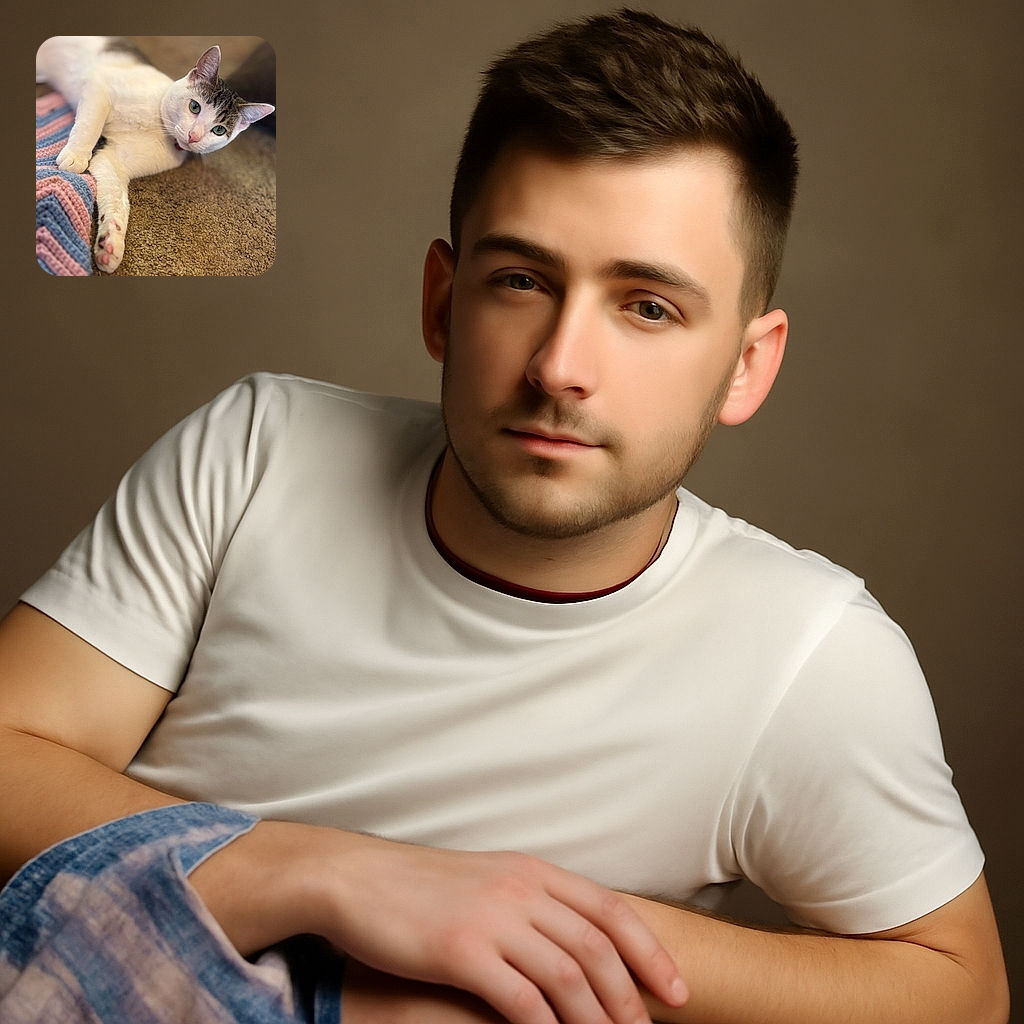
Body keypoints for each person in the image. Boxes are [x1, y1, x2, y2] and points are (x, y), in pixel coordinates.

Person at [0, 9, 1008, 1023]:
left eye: (646, 306)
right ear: (443, 301)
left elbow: (958, 991)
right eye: (521, 281)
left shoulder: (812, 652)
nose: (560, 367)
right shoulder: (257, 450)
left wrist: (521, 920)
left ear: (747, 364)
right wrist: (333, 877)